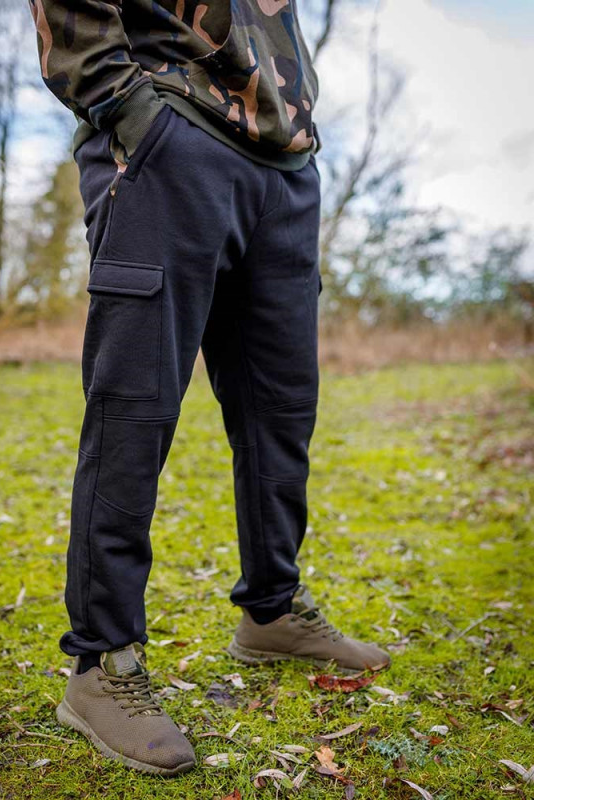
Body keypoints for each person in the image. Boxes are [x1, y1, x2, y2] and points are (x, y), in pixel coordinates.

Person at [29, 0, 390, 776]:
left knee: (281, 413)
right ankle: (102, 663)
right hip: (169, 134)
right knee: (134, 413)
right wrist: (128, 107)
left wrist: (296, 134)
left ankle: (272, 610)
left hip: (283, 164)